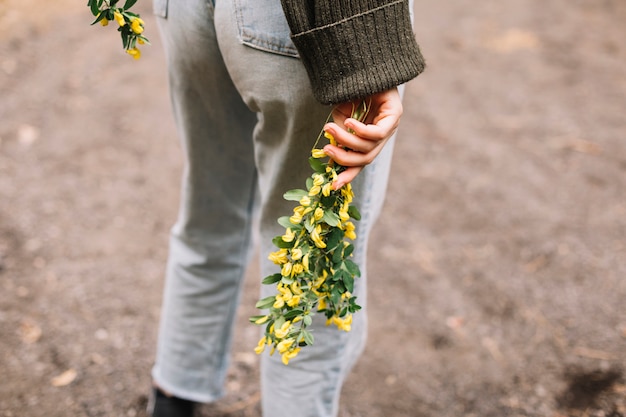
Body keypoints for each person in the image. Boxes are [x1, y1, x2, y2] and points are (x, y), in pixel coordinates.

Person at [147, 0, 425, 416]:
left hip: (184, 11)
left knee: (211, 207)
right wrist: (368, 55)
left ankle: (174, 394)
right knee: (315, 266)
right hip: (296, 19)